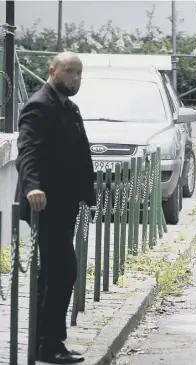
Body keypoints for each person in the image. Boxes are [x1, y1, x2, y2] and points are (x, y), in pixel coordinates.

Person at [15, 51, 95, 364]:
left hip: (65, 204)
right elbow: (28, 149)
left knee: (53, 275)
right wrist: (33, 185)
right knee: (61, 274)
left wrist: (88, 194)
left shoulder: (69, 107)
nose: (75, 78)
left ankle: (47, 343)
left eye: (78, 72)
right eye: (69, 71)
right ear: (53, 70)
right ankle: (49, 345)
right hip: (45, 204)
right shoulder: (39, 105)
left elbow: (78, 156)